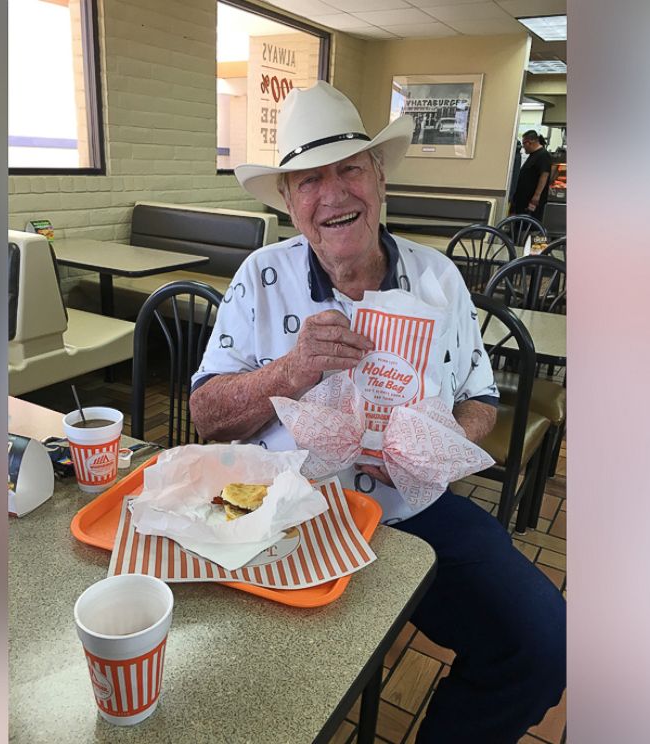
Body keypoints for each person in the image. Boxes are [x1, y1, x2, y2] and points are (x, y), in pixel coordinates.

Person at [189, 81, 565, 743]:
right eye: (308, 180)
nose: (332, 194)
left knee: (543, 643)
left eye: (349, 169)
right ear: (287, 200)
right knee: (238, 676)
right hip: (279, 510)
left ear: (379, 176)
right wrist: (290, 370)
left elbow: (481, 397)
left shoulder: (438, 278)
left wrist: (440, 439)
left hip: (411, 513)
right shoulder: (260, 275)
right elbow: (205, 416)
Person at [511, 129, 553, 221]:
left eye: (523, 144)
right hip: (523, 198)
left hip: (531, 199)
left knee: (528, 224)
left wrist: (537, 195)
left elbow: (544, 175)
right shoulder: (533, 155)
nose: (523, 147)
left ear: (529, 142)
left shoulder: (543, 155)